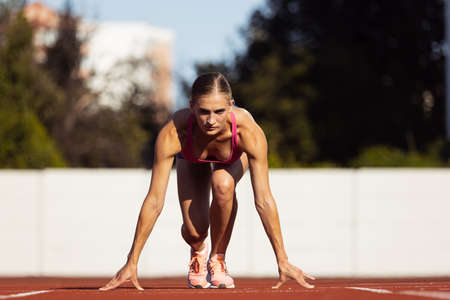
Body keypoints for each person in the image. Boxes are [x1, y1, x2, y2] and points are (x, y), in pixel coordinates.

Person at [99, 72, 315, 290]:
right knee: (194, 232)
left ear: (231, 105)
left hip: (232, 157)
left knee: (222, 183)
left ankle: (217, 259)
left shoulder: (248, 132)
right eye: (203, 112)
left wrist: (282, 259)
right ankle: (198, 250)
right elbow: (154, 200)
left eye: (219, 111)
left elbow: (264, 200)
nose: (211, 121)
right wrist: (132, 259)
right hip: (192, 158)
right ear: (192, 106)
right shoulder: (174, 132)